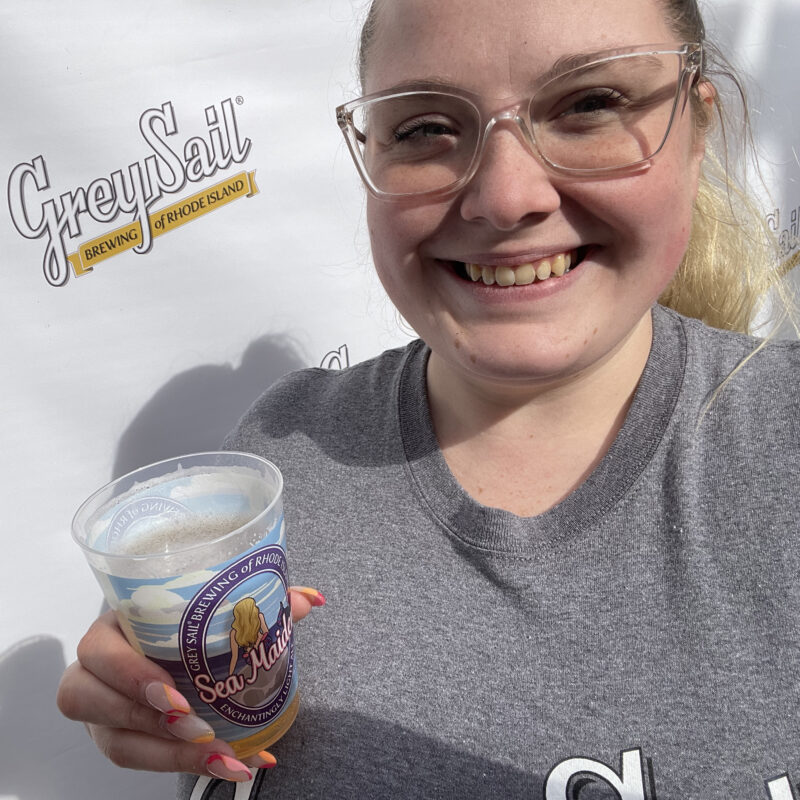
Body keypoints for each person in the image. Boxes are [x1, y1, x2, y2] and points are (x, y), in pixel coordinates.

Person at [58, 0, 800, 796]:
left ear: (694, 130)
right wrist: (152, 694)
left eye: (588, 105)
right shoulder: (284, 452)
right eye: (425, 128)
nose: (505, 196)